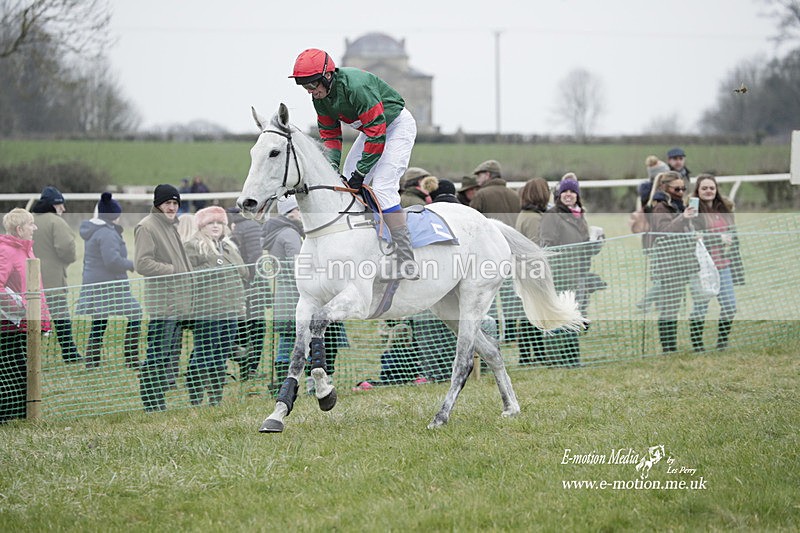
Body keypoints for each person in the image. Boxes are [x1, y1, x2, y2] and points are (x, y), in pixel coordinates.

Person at [290, 47, 418, 280]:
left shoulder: (356, 86)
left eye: (313, 84)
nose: (311, 91)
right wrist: (331, 170)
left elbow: (377, 134)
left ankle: (406, 258)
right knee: (346, 178)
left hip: (396, 126)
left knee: (382, 187)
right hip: (371, 129)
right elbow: (330, 136)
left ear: (328, 76)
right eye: (305, 87)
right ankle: (366, 239)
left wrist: (362, 171)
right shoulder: (319, 99)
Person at [262, 197, 348, 392]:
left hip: (284, 297)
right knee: (301, 341)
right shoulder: (290, 233)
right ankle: (298, 384)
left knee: (287, 341)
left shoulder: (280, 231)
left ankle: (283, 384)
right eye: (299, 210)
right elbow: (301, 267)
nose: (302, 214)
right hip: (297, 296)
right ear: (290, 212)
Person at [134, 184, 193, 412]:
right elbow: (142, 263)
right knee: (157, 355)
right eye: (168, 203)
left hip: (178, 302)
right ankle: (151, 403)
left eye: (175, 203)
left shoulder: (169, 226)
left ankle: (159, 400)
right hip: (163, 303)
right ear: (158, 204)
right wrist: (172, 270)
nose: (172, 207)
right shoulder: (147, 227)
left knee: (168, 355)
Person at [184, 206, 248, 406]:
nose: (215, 226)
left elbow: (244, 272)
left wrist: (227, 265)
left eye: (219, 223)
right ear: (202, 226)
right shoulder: (193, 246)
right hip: (207, 310)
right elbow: (186, 275)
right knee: (203, 354)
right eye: (211, 223)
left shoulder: (228, 246)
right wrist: (213, 269)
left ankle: (215, 400)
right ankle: (195, 399)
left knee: (221, 356)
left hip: (231, 309)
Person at [75, 193, 142, 370]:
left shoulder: (97, 230)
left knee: (99, 320)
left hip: (98, 284)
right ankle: (132, 359)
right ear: (114, 216)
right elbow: (112, 261)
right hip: (109, 286)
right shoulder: (106, 233)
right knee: (136, 313)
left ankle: (92, 361)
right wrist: (132, 264)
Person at [539, 174, 600, 366]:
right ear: (558, 194)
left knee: (573, 316)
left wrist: (595, 244)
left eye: (572, 191)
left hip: (576, 274)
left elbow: (582, 246)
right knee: (559, 317)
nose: (568, 194)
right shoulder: (553, 215)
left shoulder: (579, 215)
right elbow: (546, 245)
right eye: (564, 191)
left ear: (577, 195)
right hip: (559, 274)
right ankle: (557, 359)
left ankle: (572, 358)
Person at [0, 209, 51, 423]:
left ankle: (21, 416)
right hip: (11, 326)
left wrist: (43, 319)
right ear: (20, 229)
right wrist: (19, 311)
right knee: (12, 373)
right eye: (31, 224)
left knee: (25, 373)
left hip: (27, 324)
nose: (35, 227)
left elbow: (34, 290)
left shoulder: (27, 250)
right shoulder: (6, 251)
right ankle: (6, 415)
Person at [688, 175, 744, 352]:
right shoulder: (694, 210)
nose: (708, 191)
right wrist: (718, 238)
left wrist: (730, 241)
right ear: (698, 190)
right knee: (700, 308)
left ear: (716, 189)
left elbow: (732, 234)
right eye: (704, 188)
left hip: (724, 265)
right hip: (702, 267)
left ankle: (722, 341)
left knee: (730, 306)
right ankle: (697, 344)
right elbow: (695, 235)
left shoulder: (724, 209)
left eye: (711, 187)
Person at [647, 171, 699, 353]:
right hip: (669, 264)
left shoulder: (676, 205)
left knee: (673, 306)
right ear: (665, 187)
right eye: (677, 188)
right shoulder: (661, 207)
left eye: (683, 188)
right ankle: (667, 347)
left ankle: (671, 345)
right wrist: (683, 218)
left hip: (679, 262)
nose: (681, 191)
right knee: (668, 308)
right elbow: (663, 231)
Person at [31, 186, 81, 364]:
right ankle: (70, 354)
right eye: (61, 206)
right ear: (54, 205)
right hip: (52, 281)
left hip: (27, 282)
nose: (64, 210)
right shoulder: (56, 222)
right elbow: (67, 250)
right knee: (61, 319)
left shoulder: (29, 220)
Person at [227, 207, 269, 381]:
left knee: (242, 328)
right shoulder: (252, 226)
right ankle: (249, 370)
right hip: (252, 286)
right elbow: (256, 259)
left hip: (239, 285)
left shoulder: (237, 227)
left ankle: (246, 368)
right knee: (256, 329)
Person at [514, 177, 551, 365]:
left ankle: (528, 354)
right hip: (532, 270)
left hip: (524, 269)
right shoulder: (534, 219)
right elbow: (536, 247)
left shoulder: (525, 215)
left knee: (527, 313)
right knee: (532, 314)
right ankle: (534, 354)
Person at [469, 160, 520, 227]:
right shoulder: (515, 195)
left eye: (479, 176)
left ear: (487, 175)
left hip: (491, 236)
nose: (477, 180)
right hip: (512, 236)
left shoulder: (481, 195)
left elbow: (472, 221)